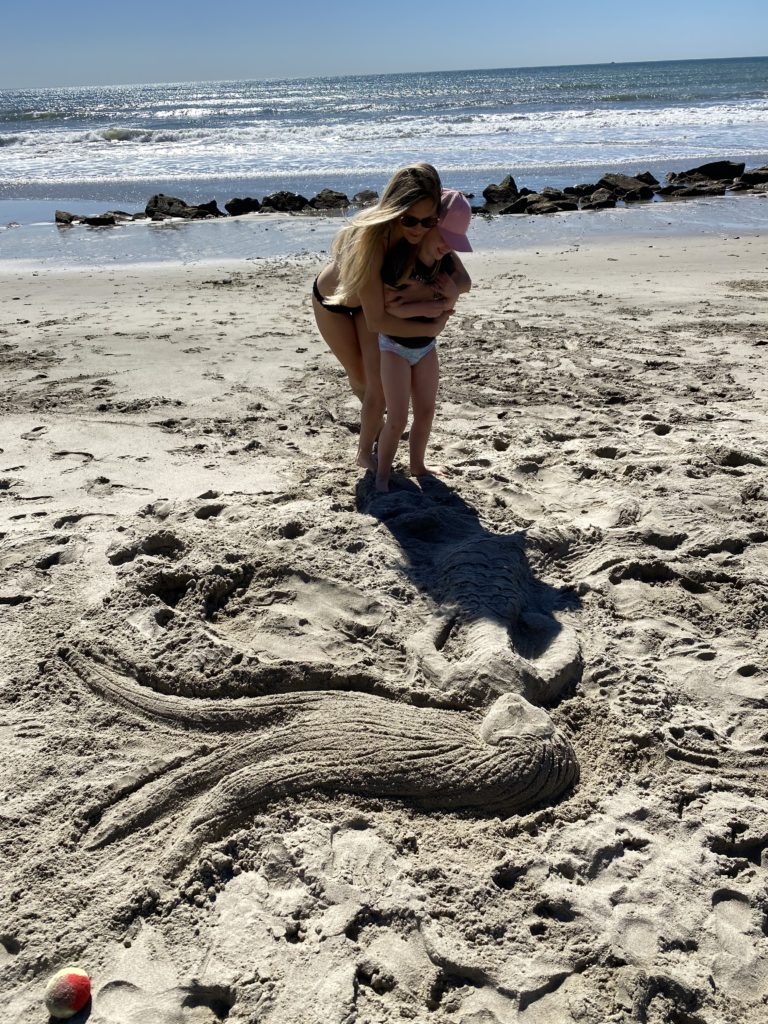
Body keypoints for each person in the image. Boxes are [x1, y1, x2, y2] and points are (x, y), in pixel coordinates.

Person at [312, 163, 469, 470]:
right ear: (395, 209)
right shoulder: (373, 240)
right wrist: (436, 322)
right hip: (336, 303)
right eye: (410, 219)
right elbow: (378, 322)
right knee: (361, 379)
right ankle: (370, 441)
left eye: (428, 221)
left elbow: (463, 280)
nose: (418, 228)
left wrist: (449, 289)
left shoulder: (427, 231)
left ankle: (368, 449)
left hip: (374, 306)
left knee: (377, 387)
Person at [374, 189, 473, 493]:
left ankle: (418, 465)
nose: (447, 247)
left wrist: (450, 296)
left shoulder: (444, 263)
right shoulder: (402, 259)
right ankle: (381, 475)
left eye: (453, 243)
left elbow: (463, 285)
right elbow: (390, 306)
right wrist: (431, 307)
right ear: (428, 226)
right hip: (394, 348)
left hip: (426, 347)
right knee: (398, 417)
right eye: (444, 238)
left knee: (427, 410)